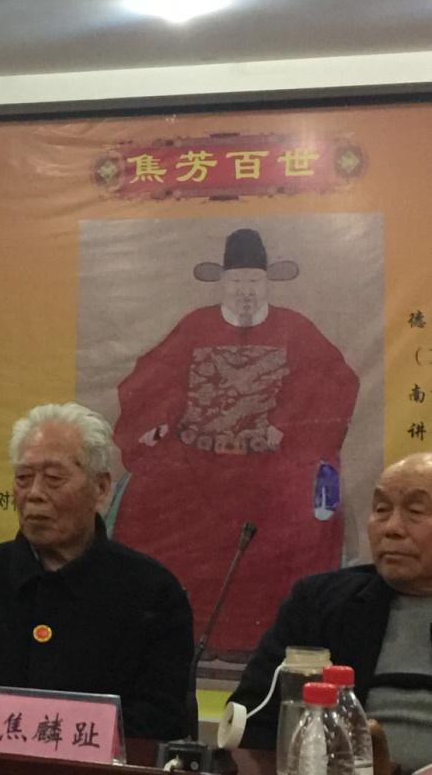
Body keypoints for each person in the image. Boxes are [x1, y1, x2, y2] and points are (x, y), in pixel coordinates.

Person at [112, 227, 359, 653]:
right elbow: (154, 379)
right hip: (198, 458)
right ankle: (169, 636)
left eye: (254, 281)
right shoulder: (195, 326)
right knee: (146, 503)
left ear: (267, 283)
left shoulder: (296, 329)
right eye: (238, 281)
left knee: (308, 504)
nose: (246, 290)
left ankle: (269, 641)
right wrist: (162, 420)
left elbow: (334, 382)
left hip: (270, 461)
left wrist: (285, 425)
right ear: (223, 283)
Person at [0, 402, 194, 740]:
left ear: (100, 488)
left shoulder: (152, 594)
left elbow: (162, 722)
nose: (34, 494)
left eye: (53, 479)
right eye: (23, 478)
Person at [229, 452, 432, 771]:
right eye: (381, 509)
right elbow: (252, 724)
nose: (391, 528)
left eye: (415, 511)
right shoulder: (319, 603)